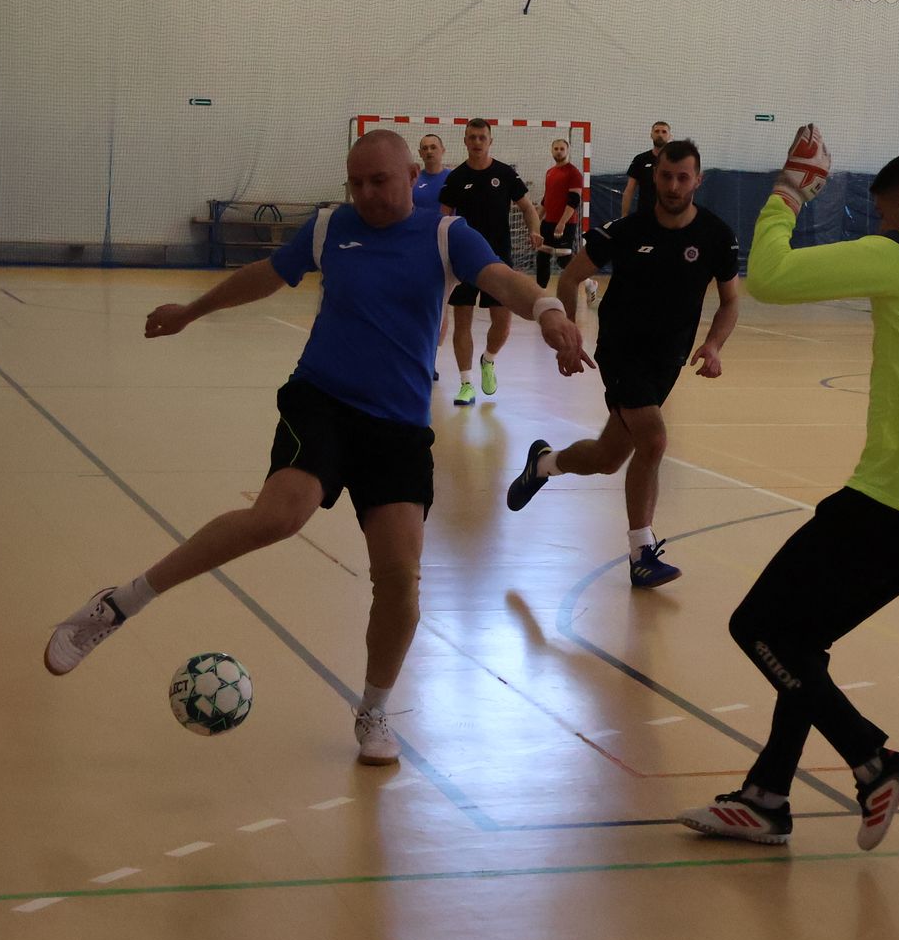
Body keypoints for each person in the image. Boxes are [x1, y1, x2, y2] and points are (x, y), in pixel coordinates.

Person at [42, 130, 591, 764]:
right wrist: (192, 311)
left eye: (378, 181)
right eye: (355, 183)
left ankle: (374, 710)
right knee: (280, 515)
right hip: (322, 400)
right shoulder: (331, 227)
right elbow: (265, 276)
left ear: (411, 176)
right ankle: (119, 604)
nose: (366, 194)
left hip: (398, 426)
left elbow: (503, 279)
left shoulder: (446, 235)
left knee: (400, 580)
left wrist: (549, 311)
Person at [674, 128, 899, 852]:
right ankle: (766, 798)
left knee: (760, 628)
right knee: (802, 643)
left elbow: (771, 278)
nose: (881, 228)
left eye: (884, 215)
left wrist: (789, 191)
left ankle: (874, 762)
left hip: (894, 503)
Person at [506, 139, 740, 588]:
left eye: (683, 177)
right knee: (653, 440)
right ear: (655, 176)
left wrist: (713, 345)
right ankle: (641, 552)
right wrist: (568, 336)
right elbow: (570, 278)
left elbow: (730, 301)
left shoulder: (716, 235)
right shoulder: (626, 231)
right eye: (666, 176)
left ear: (698, 180)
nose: (673, 186)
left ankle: (544, 464)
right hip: (621, 351)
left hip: (667, 360)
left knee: (608, 457)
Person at [438, 118, 544, 406]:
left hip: (498, 259)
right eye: (472, 137)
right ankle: (466, 383)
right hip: (462, 259)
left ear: (490, 141)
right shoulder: (456, 178)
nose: (477, 142)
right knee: (463, 321)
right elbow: (442, 217)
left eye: (481, 137)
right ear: (465, 141)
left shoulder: (505, 174)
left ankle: (488, 360)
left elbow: (527, 208)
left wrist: (534, 229)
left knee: (503, 323)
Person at [533, 137, 583, 289]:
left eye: (562, 149)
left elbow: (574, 200)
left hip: (565, 223)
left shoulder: (574, 173)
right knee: (542, 256)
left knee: (563, 259)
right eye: (556, 149)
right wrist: (536, 220)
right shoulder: (550, 172)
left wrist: (562, 223)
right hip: (548, 223)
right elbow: (546, 199)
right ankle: (540, 291)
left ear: (568, 151)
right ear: (551, 150)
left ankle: (588, 283)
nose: (559, 151)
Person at [621, 120, 671, 222]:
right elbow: (629, 190)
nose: (660, 135)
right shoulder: (640, 159)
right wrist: (624, 216)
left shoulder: (677, 160)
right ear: (651, 135)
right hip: (645, 215)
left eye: (664, 132)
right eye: (656, 131)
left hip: (670, 216)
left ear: (670, 136)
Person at [411, 132, 448, 212]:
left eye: (433, 147)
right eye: (425, 148)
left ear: (443, 150)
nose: (429, 151)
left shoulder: (453, 178)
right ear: (420, 153)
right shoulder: (413, 179)